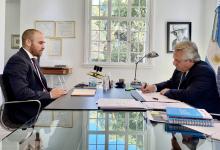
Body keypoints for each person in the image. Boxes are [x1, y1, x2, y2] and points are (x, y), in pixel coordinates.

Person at [3, 29, 67, 123]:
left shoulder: (32, 59)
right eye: (40, 43)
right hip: (24, 110)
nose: (43, 47)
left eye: (43, 43)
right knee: (66, 112)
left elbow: (38, 87)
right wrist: (50, 95)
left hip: (36, 103)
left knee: (66, 104)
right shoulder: (18, 61)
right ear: (28, 42)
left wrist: (53, 91)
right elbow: (21, 92)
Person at [141, 41, 220, 114]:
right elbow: (171, 83)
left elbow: (189, 95)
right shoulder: (181, 68)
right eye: (174, 59)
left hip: (207, 116)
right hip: (186, 110)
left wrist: (168, 92)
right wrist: (154, 87)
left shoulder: (203, 71)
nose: (174, 63)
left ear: (190, 60)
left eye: (177, 60)